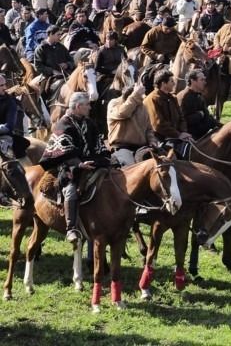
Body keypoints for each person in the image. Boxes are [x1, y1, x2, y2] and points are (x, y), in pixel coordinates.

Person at [39, 91, 110, 243]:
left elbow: (98, 145)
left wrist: (101, 158)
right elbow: (62, 151)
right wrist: (79, 164)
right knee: (71, 189)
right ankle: (71, 228)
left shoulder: (89, 123)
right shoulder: (62, 124)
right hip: (67, 165)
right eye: (87, 105)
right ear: (78, 106)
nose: (90, 108)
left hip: (90, 162)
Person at [107, 82, 159, 167]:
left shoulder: (142, 107)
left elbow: (148, 129)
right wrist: (135, 95)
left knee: (161, 163)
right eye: (141, 94)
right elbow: (123, 113)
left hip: (141, 147)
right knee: (132, 168)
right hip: (122, 147)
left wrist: (152, 140)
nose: (144, 96)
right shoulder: (114, 103)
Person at [144, 70, 192, 157]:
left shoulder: (173, 98)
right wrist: (178, 134)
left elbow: (182, 118)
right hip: (161, 139)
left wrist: (183, 132)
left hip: (177, 135)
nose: (174, 83)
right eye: (171, 81)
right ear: (163, 83)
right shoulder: (152, 99)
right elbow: (158, 124)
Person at [175, 70, 219, 140]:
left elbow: (207, 116)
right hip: (191, 136)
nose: (205, 82)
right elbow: (182, 121)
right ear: (193, 81)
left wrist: (222, 126)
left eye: (204, 79)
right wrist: (199, 115)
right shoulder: (184, 97)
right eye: (202, 80)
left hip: (203, 131)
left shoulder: (198, 95)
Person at [0, 74, 28, 162]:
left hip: (3, 138)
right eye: (1, 85)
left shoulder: (10, 102)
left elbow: (9, 126)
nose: (5, 87)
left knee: (11, 167)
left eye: (5, 84)